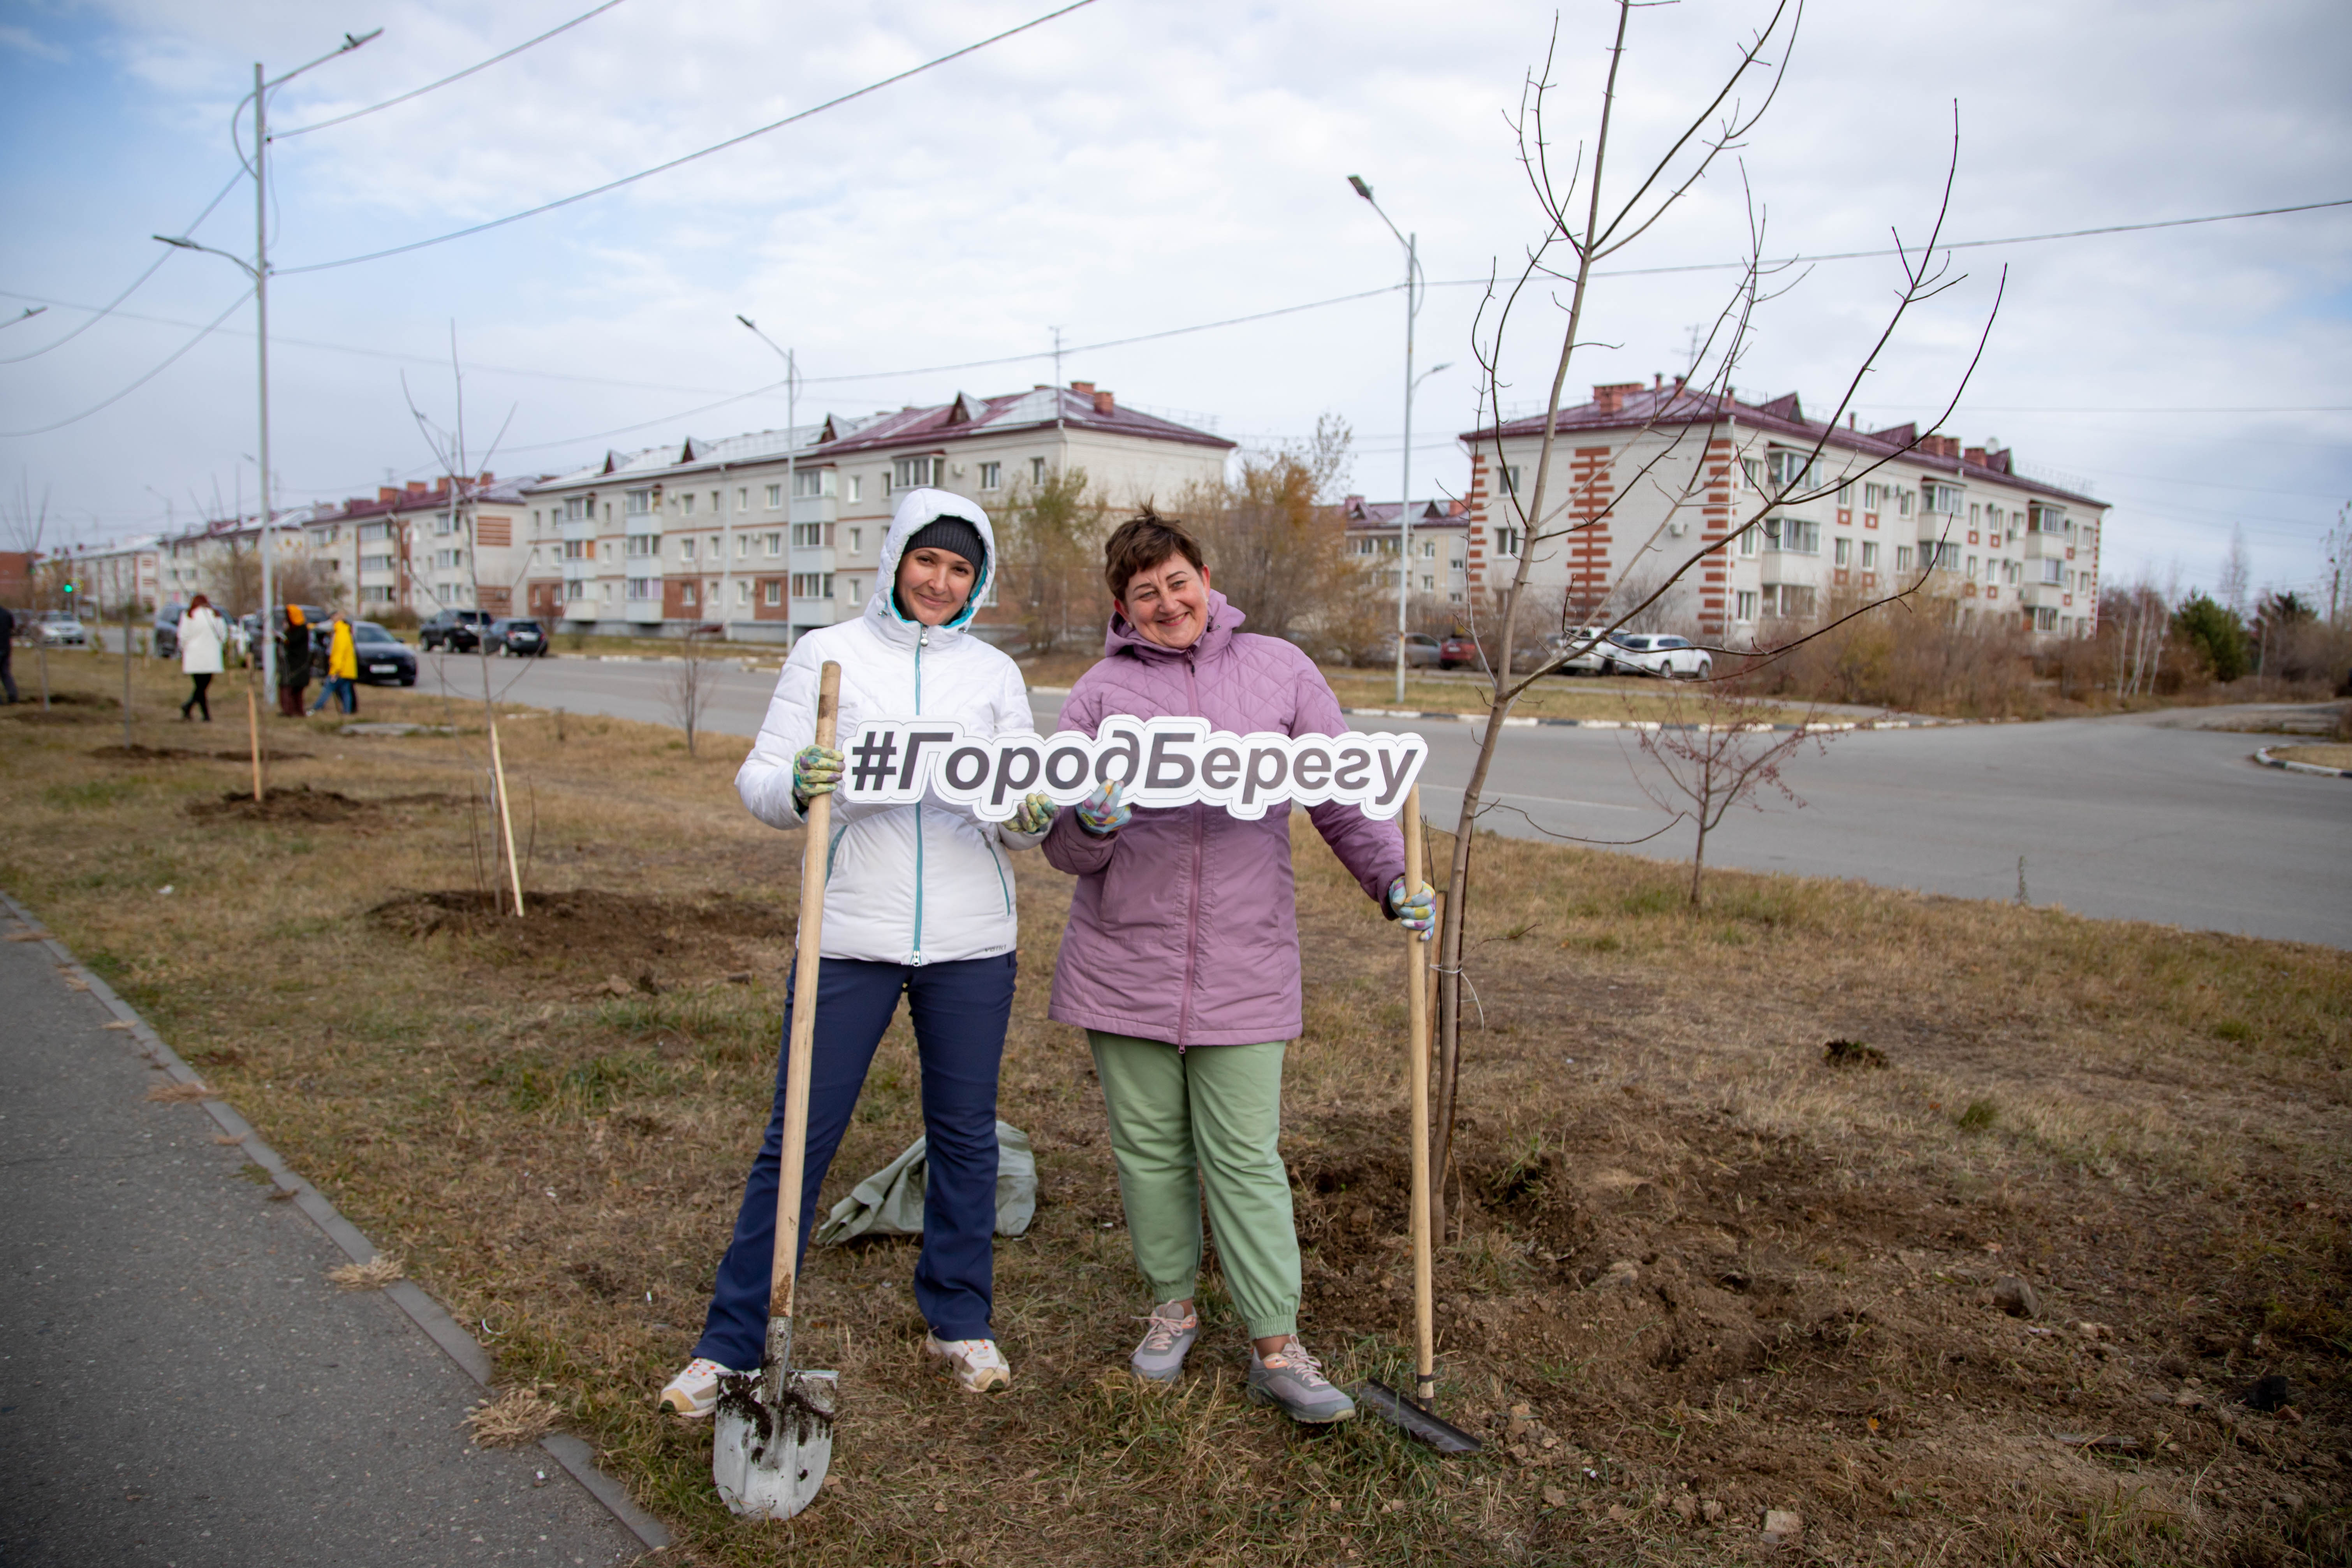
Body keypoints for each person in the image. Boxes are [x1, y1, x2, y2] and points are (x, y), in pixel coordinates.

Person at [660, 487, 1061, 1419]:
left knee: (963, 1138)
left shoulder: (993, 673)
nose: (940, 580)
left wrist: (1029, 816)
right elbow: (760, 777)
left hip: (969, 942)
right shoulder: (827, 653)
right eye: (928, 560)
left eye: (961, 568)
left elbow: (1015, 812)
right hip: (848, 932)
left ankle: (957, 1321)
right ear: (896, 559)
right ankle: (728, 1340)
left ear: (979, 579)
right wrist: (798, 785)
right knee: (797, 1133)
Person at [1040, 509, 1437, 1426]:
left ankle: (1275, 1342)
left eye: (1178, 582)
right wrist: (1089, 824)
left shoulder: (1278, 670)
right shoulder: (1097, 694)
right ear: (1121, 607)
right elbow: (1064, 849)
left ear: (1206, 580)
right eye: (1145, 593)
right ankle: (1170, 1306)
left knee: (1245, 1156)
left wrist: (1392, 879)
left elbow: (1342, 798)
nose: (1167, 602)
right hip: (1121, 960)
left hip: (1244, 960)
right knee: (1147, 1150)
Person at [177, 594, 226, 722]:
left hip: (194, 656)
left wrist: (183, 649)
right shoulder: (216, 616)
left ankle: (190, 707)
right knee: (202, 687)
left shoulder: (189, 615)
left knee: (200, 687)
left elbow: (183, 636)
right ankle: (204, 715)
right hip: (212, 657)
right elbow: (223, 635)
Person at [311, 612, 357, 716]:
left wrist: (336, 670)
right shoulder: (345, 631)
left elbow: (339, 654)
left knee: (328, 688)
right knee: (346, 692)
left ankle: (316, 708)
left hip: (340, 670)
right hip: (347, 670)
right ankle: (347, 712)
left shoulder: (340, 634)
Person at [276, 605, 312, 718]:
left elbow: (292, 641)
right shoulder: (293, 629)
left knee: (291, 687)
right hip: (291, 663)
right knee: (291, 688)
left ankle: (292, 711)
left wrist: (285, 637)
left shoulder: (301, 629)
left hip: (298, 664)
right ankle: (291, 710)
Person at [0, 600, 16, 704]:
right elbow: (12, 627)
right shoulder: (6, 613)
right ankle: (13, 696)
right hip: (6, 648)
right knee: (5, 673)